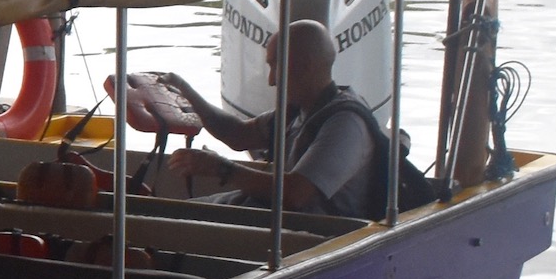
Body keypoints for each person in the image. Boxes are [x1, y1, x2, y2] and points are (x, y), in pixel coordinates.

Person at [153, 19, 394, 218]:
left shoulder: (344, 124)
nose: (271, 80)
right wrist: (185, 90)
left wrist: (220, 168)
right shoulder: (299, 111)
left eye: (275, 66)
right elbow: (238, 135)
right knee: (169, 215)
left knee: (172, 224)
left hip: (317, 239)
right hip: (279, 219)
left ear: (305, 65)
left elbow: (295, 195)